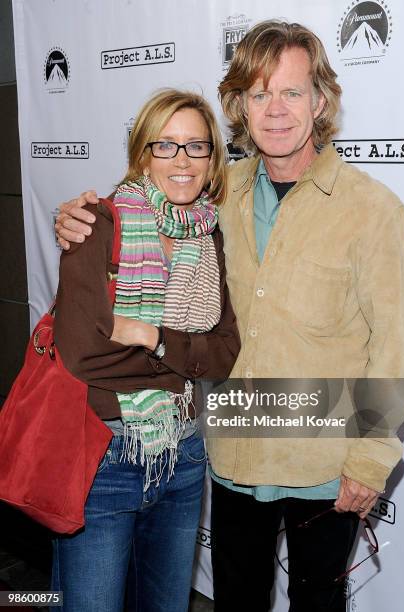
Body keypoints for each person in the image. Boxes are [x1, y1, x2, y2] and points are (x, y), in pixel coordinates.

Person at [55, 21, 404, 612]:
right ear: (239, 106)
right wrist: (77, 215)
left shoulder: (375, 212)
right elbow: (144, 201)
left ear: (321, 100)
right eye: (258, 93)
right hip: (232, 459)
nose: (275, 110)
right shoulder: (218, 194)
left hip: (325, 466)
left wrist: (371, 461)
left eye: (292, 92)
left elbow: (394, 350)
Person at [52, 88, 240, 612]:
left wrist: (150, 336)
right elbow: (83, 354)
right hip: (105, 458)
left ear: (211, 160)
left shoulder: (210, 238)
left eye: (196, 147)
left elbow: (226, 352)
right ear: (142, 154)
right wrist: (184, 355)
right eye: (166, 145)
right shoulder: (99, 226)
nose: (182, 160)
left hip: (184, 454)